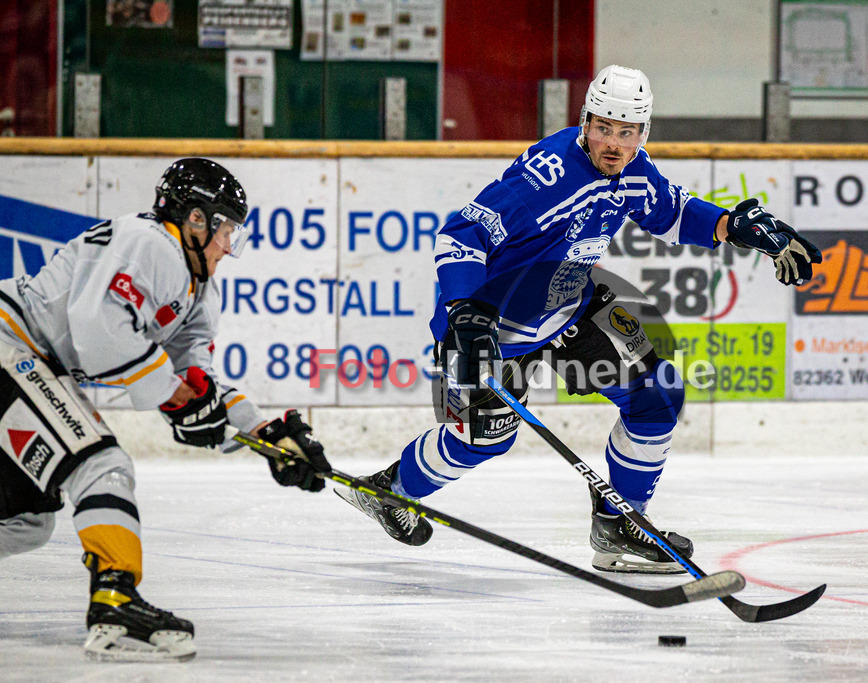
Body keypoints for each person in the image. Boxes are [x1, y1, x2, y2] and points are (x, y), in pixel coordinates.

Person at [339, 65, 821, 573]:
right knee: (483, 438)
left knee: (656, 392)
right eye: (602, 127)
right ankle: (390, 491)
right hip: (489, 321)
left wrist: (731, 225)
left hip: (565, 302)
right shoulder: (549, 177)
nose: (613, 143)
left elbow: (672, 213)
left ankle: (620, 525)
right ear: (585, 121)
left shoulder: (634, 169)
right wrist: (465, 311)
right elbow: (461, 236)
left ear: (642, 133)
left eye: (626, 131)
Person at [0, 158, 331, 661]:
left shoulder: (196, 287)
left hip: (25, 358)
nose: (229, 245)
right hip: (11, 345)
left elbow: (200, 379)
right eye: (226, 229)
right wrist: (173, 395)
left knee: (26, 520)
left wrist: (266, 434)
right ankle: (114, 599)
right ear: (196, 218)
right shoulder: (151, 242)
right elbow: (96, 327)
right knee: (100, 466)